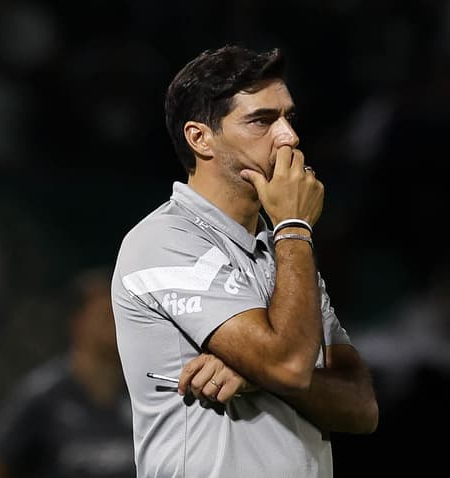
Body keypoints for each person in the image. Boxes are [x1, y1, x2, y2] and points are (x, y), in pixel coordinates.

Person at [110, 45, 378, 477]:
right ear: (200, 138)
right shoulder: (162, 241)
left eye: (289, 118)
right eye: (262, 120)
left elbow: (361, 406)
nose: (288, 137)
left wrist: (256, 371)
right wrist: (293, 225)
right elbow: (291, 366)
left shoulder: (285, 252)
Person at [0, 267, 135, 478]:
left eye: (119, 316)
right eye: (105, 317)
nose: (114, 326)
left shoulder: (139, 391)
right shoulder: (43, 395)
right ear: (77, 322)